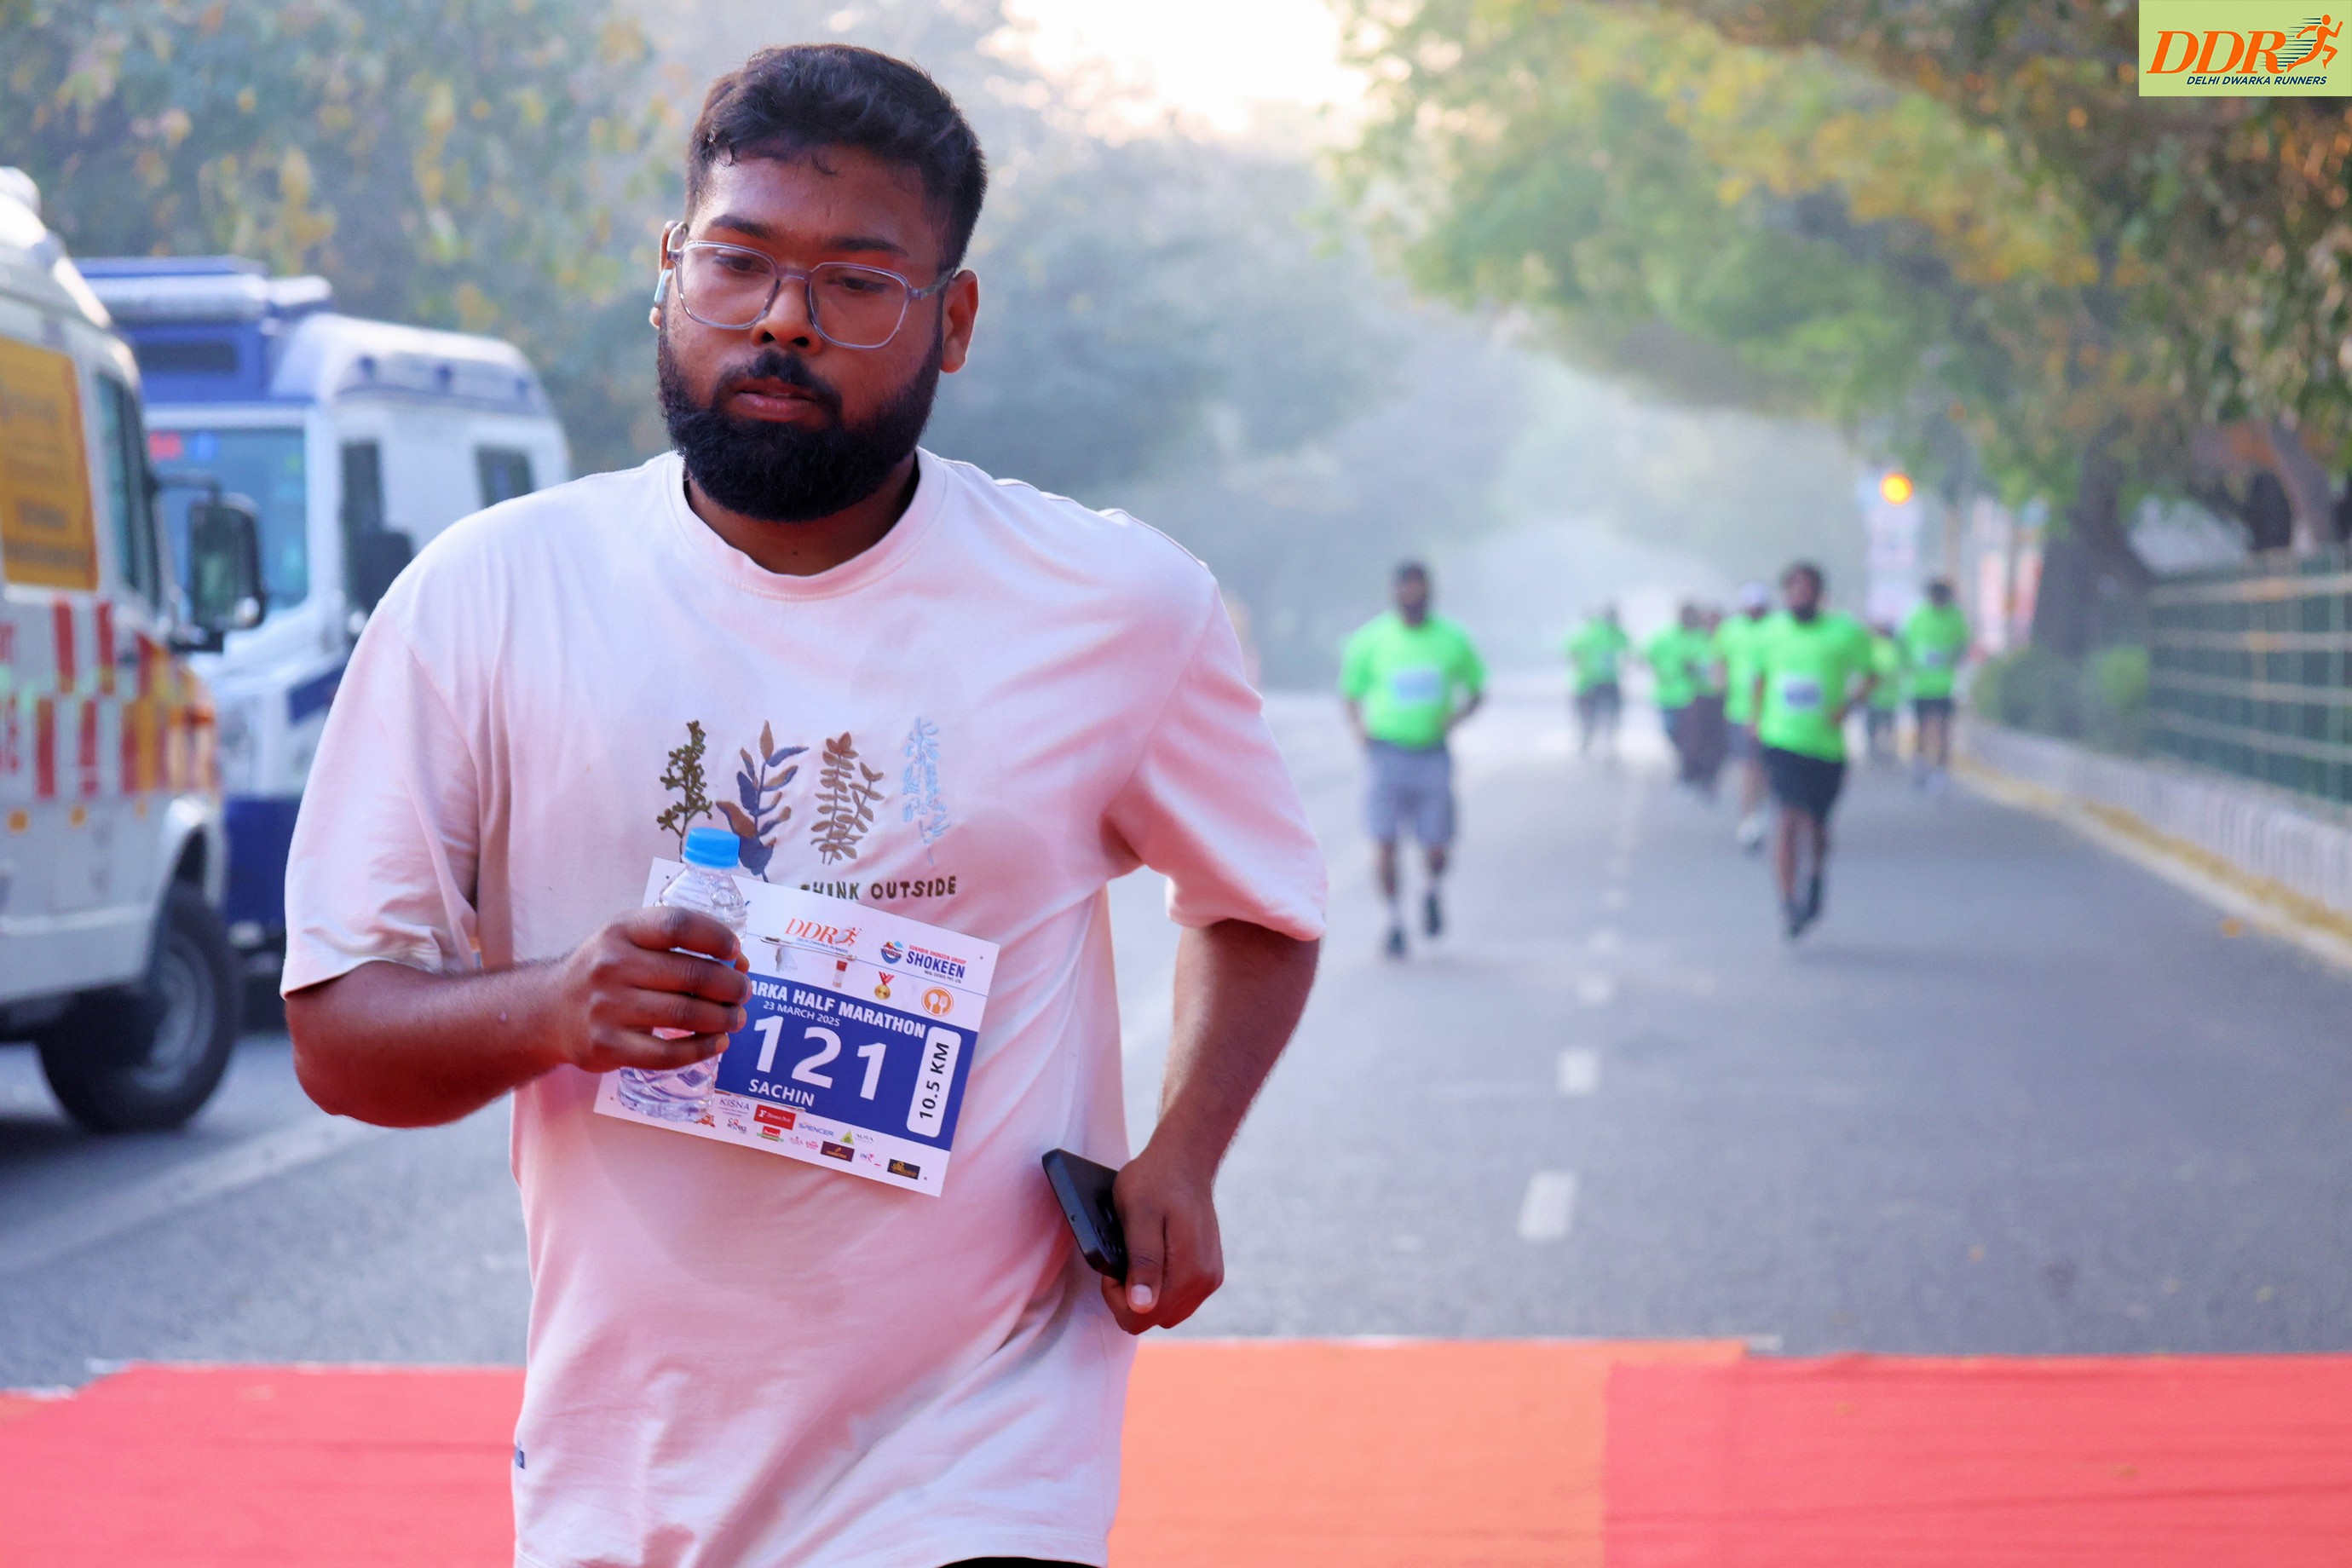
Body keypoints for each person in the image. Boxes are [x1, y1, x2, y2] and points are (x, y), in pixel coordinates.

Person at [280, 47, 1325, 1568]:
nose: (783, 318)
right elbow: (339, 1037)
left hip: (984, 1451)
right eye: (740, 262)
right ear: (670, 272)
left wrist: (1186, 1153)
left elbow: (1259, 904)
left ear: (952, 320)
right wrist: (557, 1008)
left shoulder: (1116, 605)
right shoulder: (489, 596)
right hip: (629, 1470)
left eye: (856, 282)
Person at [1341, 562, 1484, 959]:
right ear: (1394, 592)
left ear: (1429, 592)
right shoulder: (1371, 639)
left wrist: (1457, 717)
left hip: (1432, 754)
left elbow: (1477, 688)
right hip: (1386, 752)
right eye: (1404, 589)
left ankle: (1432, 889)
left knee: (1436, 846)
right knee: (1384, 843)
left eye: (1418, 589)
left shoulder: (1453, 639)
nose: (1411, 596)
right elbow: (1351, 692)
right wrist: (1359, 728)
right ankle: (1394, 921)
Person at [1750, 562, 1876, 938]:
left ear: (1820, 595)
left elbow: (1871, 673)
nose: (1799, 597)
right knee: (1788, 819)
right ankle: (1788, 901)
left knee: (1817, 825)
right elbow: (1760, 678)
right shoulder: (1770, 632)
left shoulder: (1845, 633)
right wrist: (1756, 719)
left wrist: (1848, 705)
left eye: (1806, 590)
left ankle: (1816, 877)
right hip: (1781, 740)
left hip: (1826, 747)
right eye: (1792, 590)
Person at [1712, 582, 1773, 850]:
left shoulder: (1776, 629)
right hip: (1740, 710)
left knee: (1766, 768)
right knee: (1748, 766)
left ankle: (1760, 810)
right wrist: (1720, 684)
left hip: (1775, 714)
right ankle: (1749, 818)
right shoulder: (1730, 630)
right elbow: (1720, 661)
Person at [1902, 578, 1970, 793]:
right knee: (1922, 729)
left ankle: (1940, 770)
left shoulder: (1955, 617)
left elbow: (1963, 643)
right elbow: (1904, 644)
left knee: (1943, 730)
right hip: (1921, 685)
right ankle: (1920, 766)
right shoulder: (1918, 616)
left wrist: (1951, 659)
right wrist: (1911, 664)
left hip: (1945, 685)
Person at [1565, 605, 1631, 760]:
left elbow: (1572, 654)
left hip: (1595, 682)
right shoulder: (1607, 633)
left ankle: (1594, 741)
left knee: (1596, 716)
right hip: (1599, 682)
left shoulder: (1589, 634)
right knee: (1605, 715)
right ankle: (1600, 742)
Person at [1644, 604, 1702, 782]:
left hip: (1691, 696)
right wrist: (1659, 670)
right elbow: (1647, 654)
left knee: (1690, 736)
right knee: (1671, 731)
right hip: (1667, 695)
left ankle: (1689, 766)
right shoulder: (1665, 637)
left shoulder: (1700, 637)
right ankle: (1684, 759)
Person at [1866, 619, 1905, 764]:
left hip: (1874, 697)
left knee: (1873, 728)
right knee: (1888, 728)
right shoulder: (1895, 650)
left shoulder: (1872, 647)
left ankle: (1874, 753)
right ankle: (1888, 754)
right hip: (1890, 698)